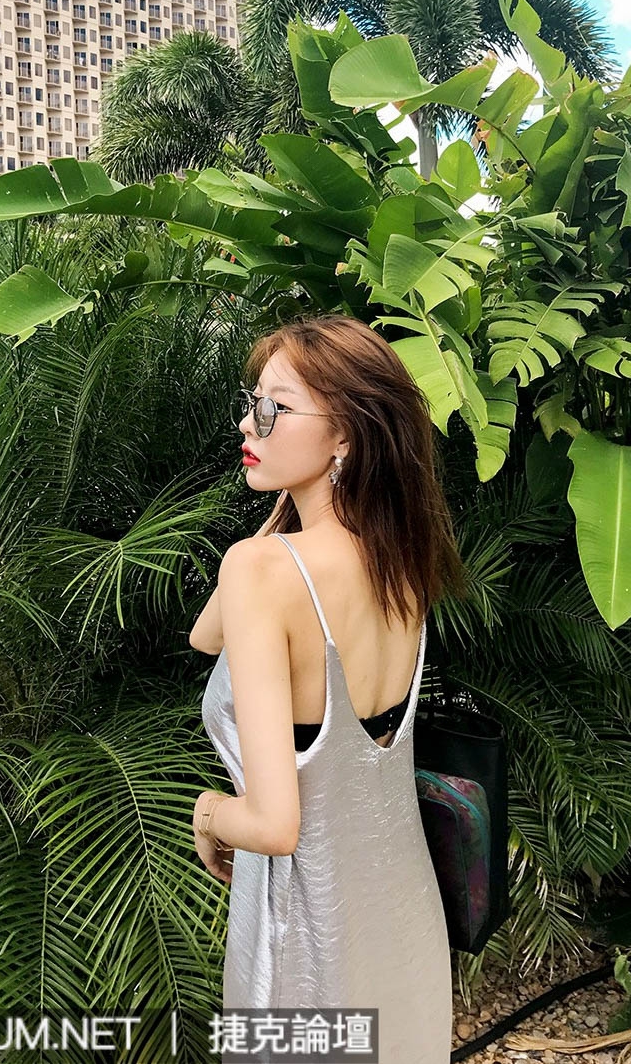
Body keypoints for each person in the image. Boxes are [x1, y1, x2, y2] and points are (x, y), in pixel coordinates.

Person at [190, 313, 469, 1063]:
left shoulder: (262, 574)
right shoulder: (399, 557)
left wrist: (208, 813)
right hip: (400, 920)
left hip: (306, 938)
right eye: (252, 403)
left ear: (343, 435)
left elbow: (274, 824)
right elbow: (206, 636)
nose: (249, 423)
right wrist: (290, 506)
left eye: (274, 409)